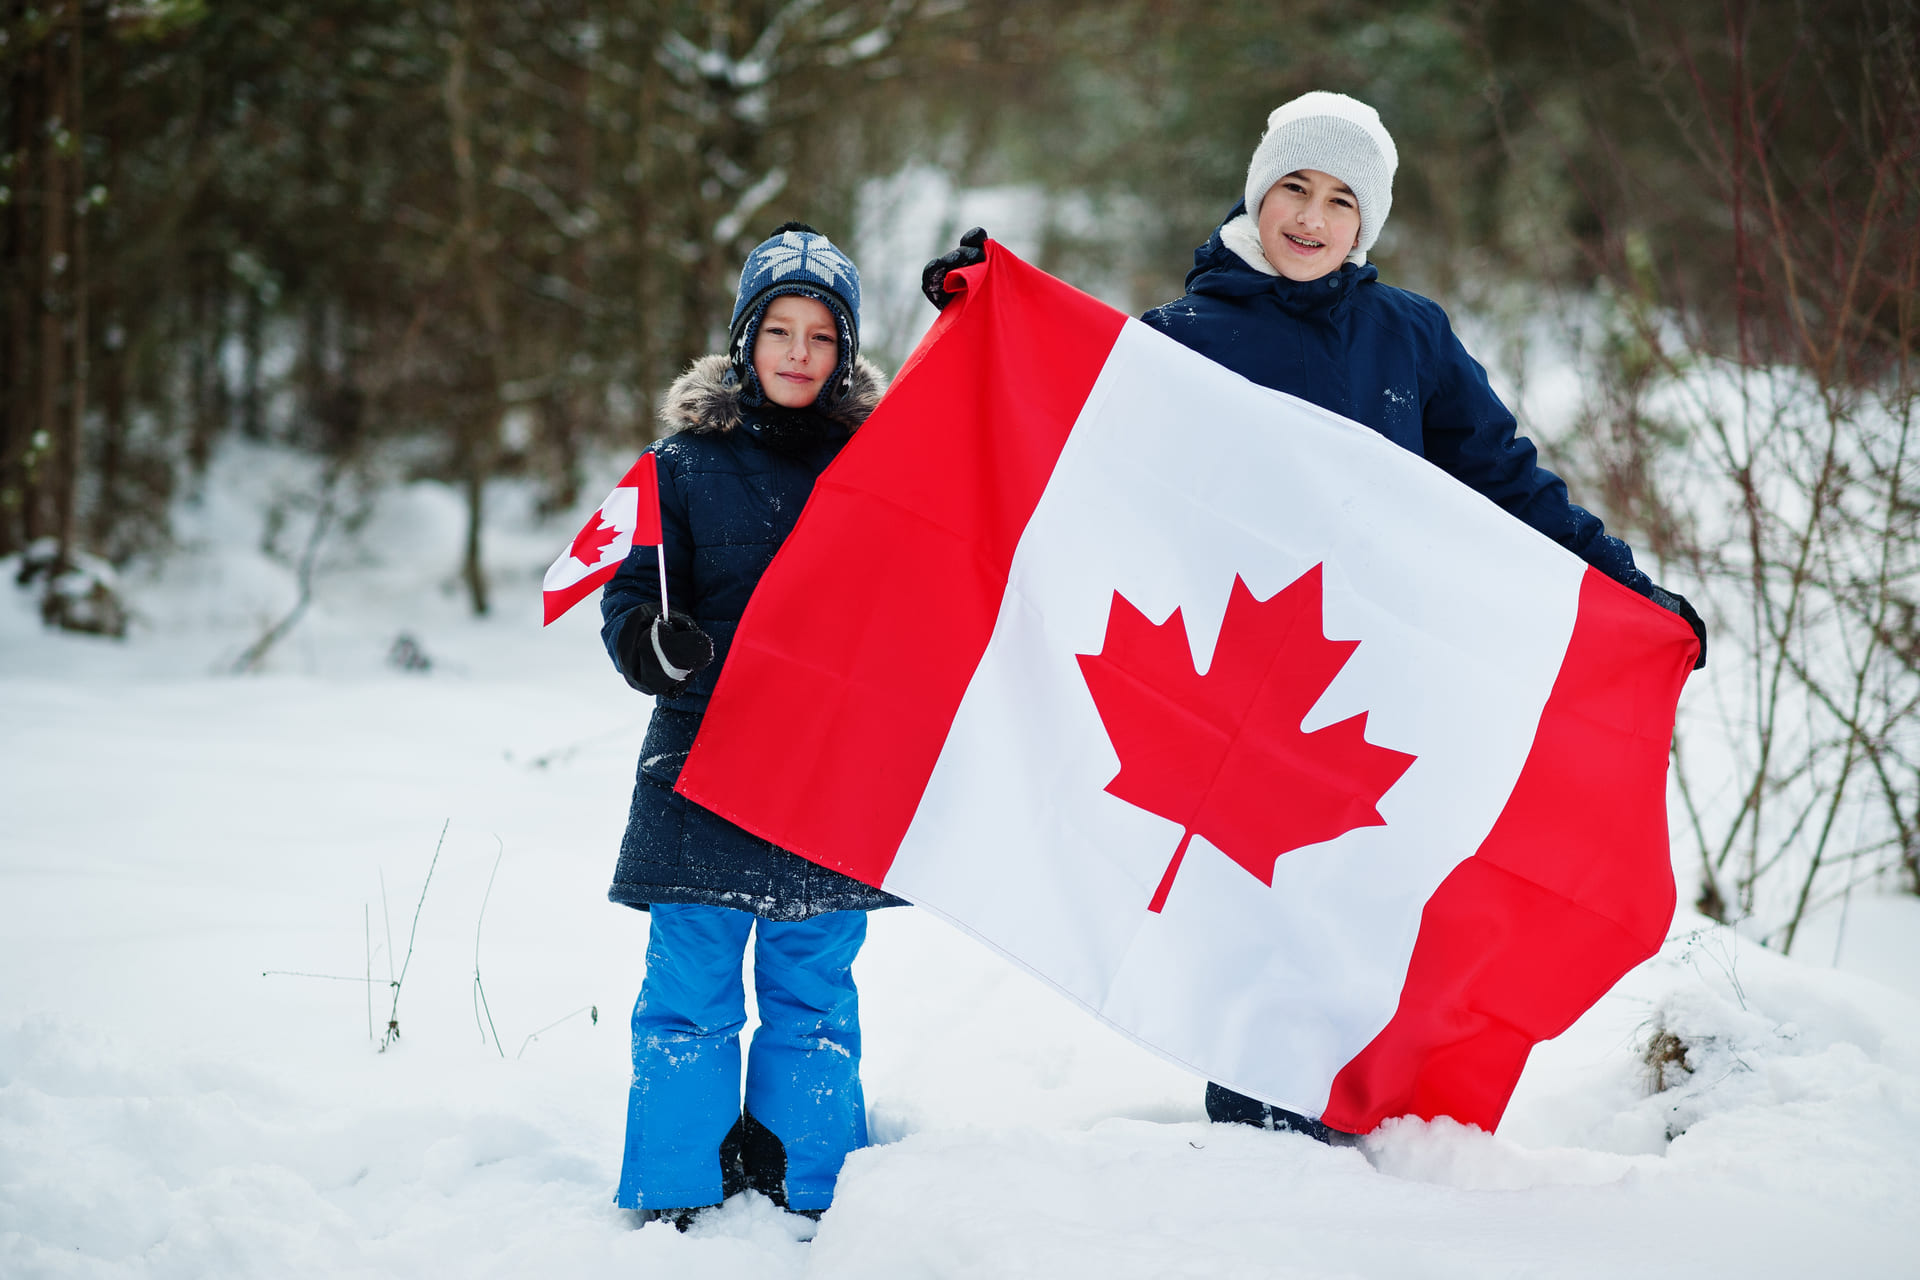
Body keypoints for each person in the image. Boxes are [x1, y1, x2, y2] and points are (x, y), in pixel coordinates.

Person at [923, 91, 1706, 1143]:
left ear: (1366, 223)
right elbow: (1063, 432)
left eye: (1343, 199)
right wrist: (985, 312)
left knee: (1352, 904)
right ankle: (1256, 1147)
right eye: (1295, 185)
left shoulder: (1409, 336)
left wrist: (1626, 590)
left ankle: (1346, 1120)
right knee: (1247, 911)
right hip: (1222, 683)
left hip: (1365, 685)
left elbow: (1507, 478)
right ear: (1259, 190)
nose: (1313, 215)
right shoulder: (1180, 340)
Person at [601, 221, 902, 1229]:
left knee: (813, 988)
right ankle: (677, 1183)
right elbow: (630, 595)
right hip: (703, 763)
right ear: (745, 338)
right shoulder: (682, 464)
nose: (800, 353)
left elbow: (925, 591)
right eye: (781, 329)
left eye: (823, 335)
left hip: (831, 767)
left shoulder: (884, 463)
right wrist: (655, 641)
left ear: (846, 350)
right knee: (689, 985)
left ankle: (807, 1178)